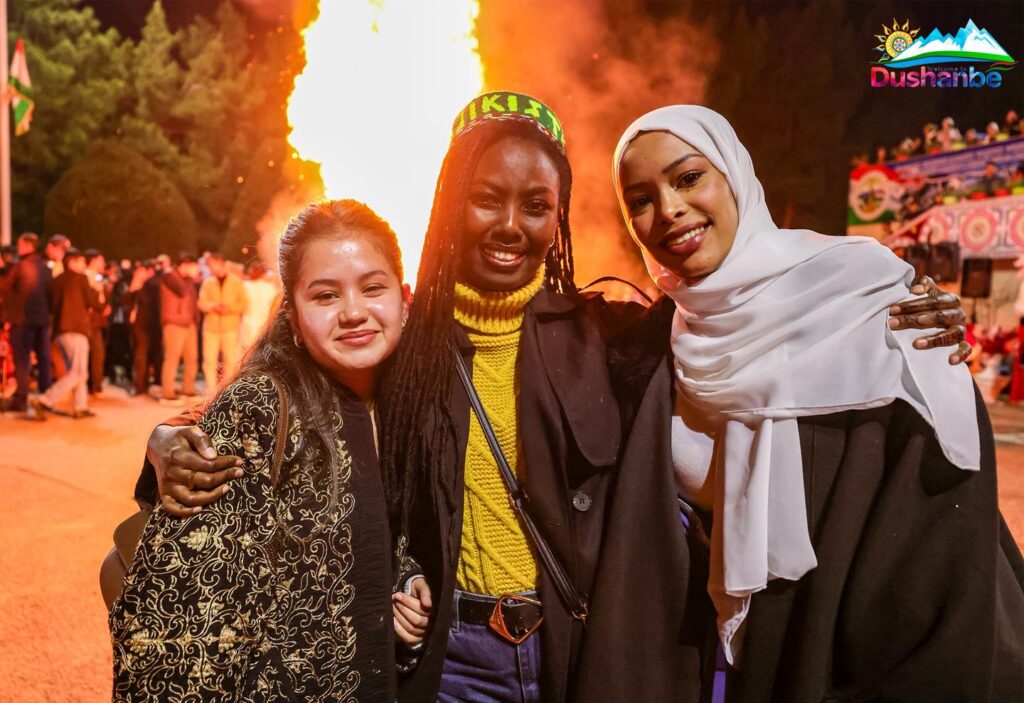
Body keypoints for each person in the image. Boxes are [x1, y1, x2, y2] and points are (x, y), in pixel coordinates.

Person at [140, 94, 973, 703]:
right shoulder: (404, 343)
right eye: (487, 199)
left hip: (578, 654)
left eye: (536, 205)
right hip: (452, 661)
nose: (511, 224)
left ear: (559, 219)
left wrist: (889, 309)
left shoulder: (617, 337)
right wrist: (169, 438)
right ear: (451, 206)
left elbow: (751, 333)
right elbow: (287, 384)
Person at [611, 104, 1023, 702]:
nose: (669, 208)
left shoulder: (871, 298)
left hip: (854, 672)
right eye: (641, 200)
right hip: (728, 673)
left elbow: (945, 554)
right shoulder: (657, 347)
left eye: (689, 177)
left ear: (735, 174)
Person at [110, 200, 431, 701]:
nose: (353, 311)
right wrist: (164, 437)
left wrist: (406, 589)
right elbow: (181, 620)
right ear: (294, 318)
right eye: (325, 295)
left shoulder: (409, 403)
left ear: (404, 299)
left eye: (372, 288)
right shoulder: (261, 406)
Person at [32, 248, 99, 419]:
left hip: (60, 332)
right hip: (76, 330)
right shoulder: (81, 279)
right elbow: (94, 302)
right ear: (72, 262)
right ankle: (46, 400)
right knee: (78, 373)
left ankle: (80, 406)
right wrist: (95, 286)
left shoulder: (55, 282)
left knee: (78, 371)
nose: (84, 265)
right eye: (81, 261)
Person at [0, 233, 52, 412]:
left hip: (22, 321)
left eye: (20, 245)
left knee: (22, 361)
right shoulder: (45, 268)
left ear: (29, 246)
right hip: (42, 321)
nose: (18, 248)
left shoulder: (20, 266)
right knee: (44, 359)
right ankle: (46, 398)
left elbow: (4, 287)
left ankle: (20, 399)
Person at [197, 252, 247, 392]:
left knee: (230, 360)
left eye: (212, 265)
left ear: (221, 263)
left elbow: (244, 304)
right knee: (209, 361)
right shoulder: (208, 282)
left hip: (230, 328)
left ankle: (227, 390)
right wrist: (213, 306)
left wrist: (229, 308)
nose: (211, 268)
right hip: (211, 328)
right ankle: (211, 391)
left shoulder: (235, 282)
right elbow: (201, 303)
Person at [159, 253, 201, 405]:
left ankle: (187, 390)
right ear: (184, 265)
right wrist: (190, 276)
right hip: (174, 322)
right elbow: (181, 290)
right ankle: (167, 393)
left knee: (192, 358)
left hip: (189, 323)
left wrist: (196, 319)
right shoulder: (169, 276)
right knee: (172, 358)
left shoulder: (188, 280)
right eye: (192, 266)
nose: (195, 270)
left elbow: (193, 299)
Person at [238, 259, 280, 352]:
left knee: (246, 353)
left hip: (248, 324)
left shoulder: (246, 286)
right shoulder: (270, 288)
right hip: (263, 326)